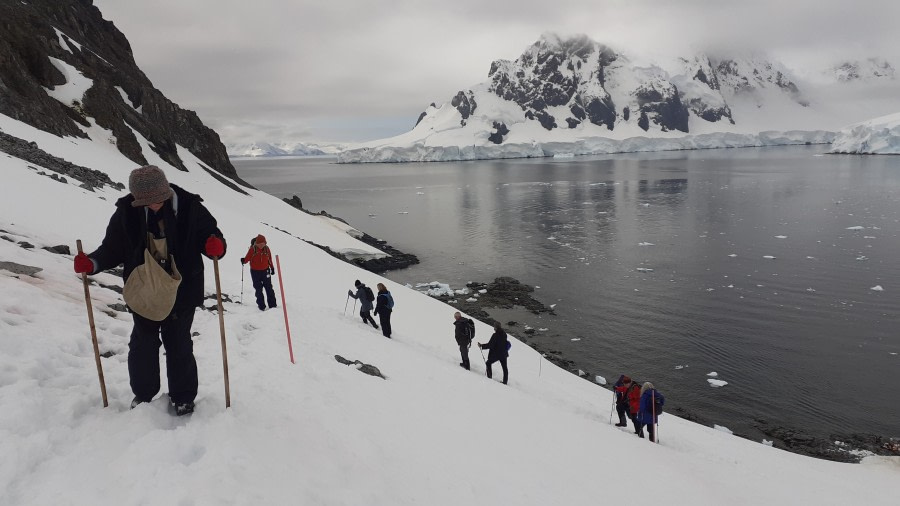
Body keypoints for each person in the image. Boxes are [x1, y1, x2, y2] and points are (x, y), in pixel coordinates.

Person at [73, 165, 226, 416]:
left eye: (158, 200)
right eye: (146, 202)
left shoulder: (190, 207)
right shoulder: (127, 212)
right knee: (143, 344)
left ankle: (183, 397)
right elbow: (112, 248)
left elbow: (211, 235)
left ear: (166, 190)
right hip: (143, 290)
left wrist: (215, 245)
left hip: (182, 289)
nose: (154, 205)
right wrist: (92, 263)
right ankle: (144, 396)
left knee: (179, 344)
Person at [241, 234, 277, 311]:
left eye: (263, 244)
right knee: (258, 289)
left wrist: (272, 268)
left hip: (266, 271)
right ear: (256, 243)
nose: (261, 245)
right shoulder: (252, 249)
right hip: (255, 272)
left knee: (269, 288)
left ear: (265, 243)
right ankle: (261, 306)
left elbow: (269, 259)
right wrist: (244, 261)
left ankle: (273, 306)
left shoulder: (267, 249)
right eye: (259, 244)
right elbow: (247, 258)